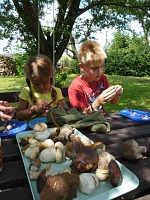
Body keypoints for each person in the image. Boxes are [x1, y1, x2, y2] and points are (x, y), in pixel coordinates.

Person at [68, 40, 123, 114]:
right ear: (82, 67)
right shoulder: (76, 87)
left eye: (102, 66)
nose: (100, 71)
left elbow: (114, 102)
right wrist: (97, 103)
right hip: (87, 123)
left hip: (101, 120)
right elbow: (80, 115)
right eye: (95, 68)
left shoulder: (102, 78)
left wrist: (117, 93)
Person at [16, 54, 64, 121]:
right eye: (37, 84)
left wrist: (53, 110)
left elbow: (62, 113)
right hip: (33, 129)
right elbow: (19, 116)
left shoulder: (57, 91)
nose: (41, 87)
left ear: (50, 75)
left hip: (53, 128)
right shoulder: (26, 92)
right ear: (30, 80)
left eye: (45, 83)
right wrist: (33, 110)